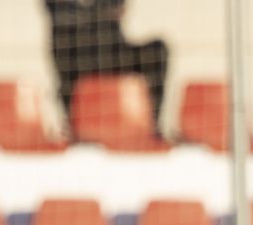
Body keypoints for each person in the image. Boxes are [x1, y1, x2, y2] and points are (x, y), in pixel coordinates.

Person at [44, 0, 170, 133]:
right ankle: (75, 127)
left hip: (114, 55)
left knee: (157, 50)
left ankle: (151, 126)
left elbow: (118, 7)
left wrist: (95, 14)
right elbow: (62, 14)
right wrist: (103, 14)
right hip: (79, 62)